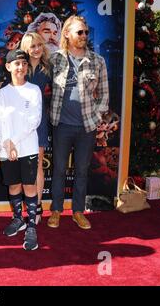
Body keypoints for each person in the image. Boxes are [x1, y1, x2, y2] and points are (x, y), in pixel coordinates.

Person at [47, 15, 109, 230]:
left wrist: (97, 116)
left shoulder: (97, 61)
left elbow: (103, 94)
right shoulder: (55, 59)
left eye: (86, 32)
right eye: (79, 32)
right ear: (67, 34)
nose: (84, 36)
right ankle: (56, 210)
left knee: (82, 170)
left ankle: (78, 211)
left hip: (86, 127)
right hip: (62, 125)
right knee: (59, 169)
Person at [0, 49, 42, 250]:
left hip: (27, 147)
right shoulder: (3, 93)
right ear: (8, 67)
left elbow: (34, 121)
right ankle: (18, 219)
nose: (21, 67)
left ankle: (31, 225)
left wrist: (13, 142)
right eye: (16, 63)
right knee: (14, 187)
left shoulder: (34, 90)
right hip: (8, 149)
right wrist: (6, 144)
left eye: (24, 63)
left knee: (29, 187)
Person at [20, 32, 52, 224]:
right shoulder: (19, 67)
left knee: (37, 165)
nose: (37, 49)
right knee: (23, 166)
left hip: (39, 123)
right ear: (25, 48)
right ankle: (25, 204)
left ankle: (36, 205)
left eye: (39, 45)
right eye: (32, 46)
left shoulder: (47, 70)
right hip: (19, 124)